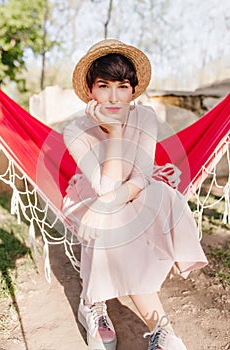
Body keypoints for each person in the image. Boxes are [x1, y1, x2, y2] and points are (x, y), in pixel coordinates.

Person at [62, 39, 208, 350]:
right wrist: (114, 132)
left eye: (123, 86)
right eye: (104, 85)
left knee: (154, 196)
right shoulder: (74, 130)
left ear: (133, 90)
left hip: (134, 193)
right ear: (90, 90)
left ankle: (97, 301)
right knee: (118, 218)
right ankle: (130, 317)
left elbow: (141, 176)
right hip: (92, 197)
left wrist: (105, 208)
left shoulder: (145, 117)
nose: (114, 97)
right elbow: (105, 189)